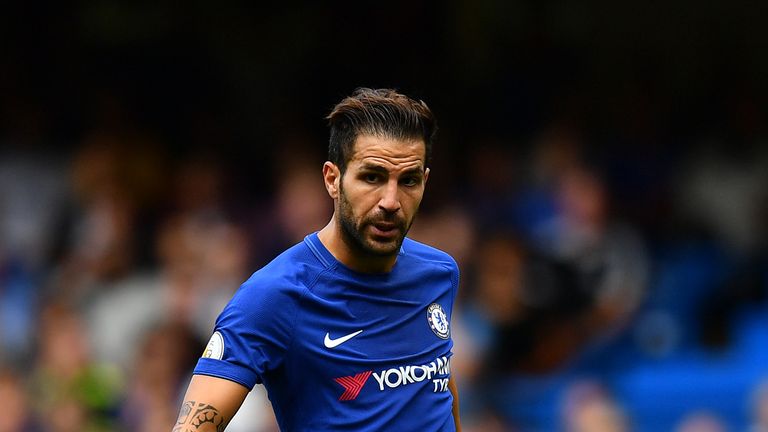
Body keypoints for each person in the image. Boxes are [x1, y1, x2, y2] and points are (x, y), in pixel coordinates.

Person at [172, 88, 461, 431]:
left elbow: (436, 380)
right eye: (372, 177)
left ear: (425, 182)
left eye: (408, 181)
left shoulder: (439, 272)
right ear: (333, 179)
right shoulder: (274, 295)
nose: (390, 201)